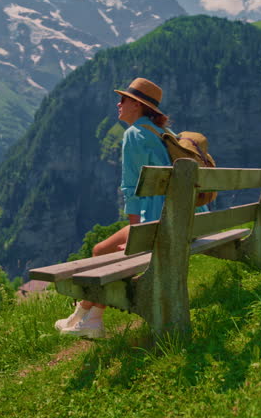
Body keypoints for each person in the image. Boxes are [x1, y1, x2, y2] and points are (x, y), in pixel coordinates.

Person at [56, 77, 184, 338]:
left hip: (158, 221)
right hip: (183, 217)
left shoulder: (135, 134)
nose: (118, 103)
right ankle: (84, 316)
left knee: (102, 251)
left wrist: (139, 237)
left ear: (136, 105)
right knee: (102, 249)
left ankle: (90, 319)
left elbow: (132, 189)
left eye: (123, 99)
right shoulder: (164, 134)